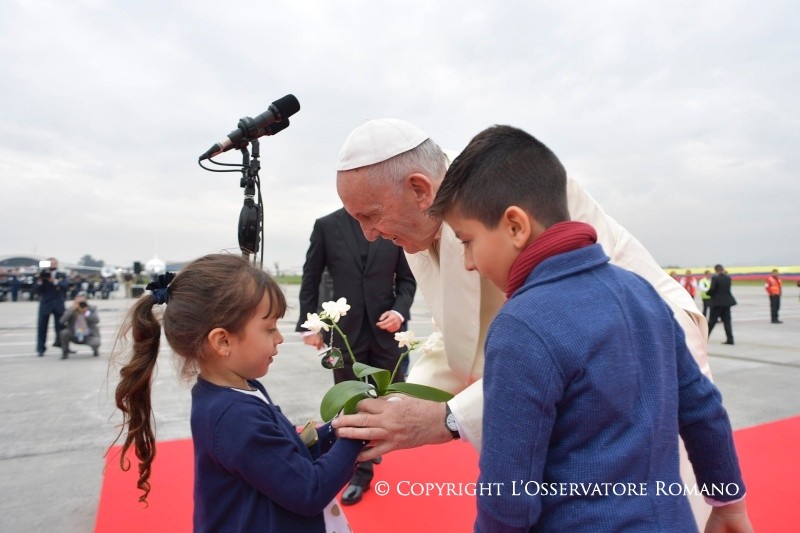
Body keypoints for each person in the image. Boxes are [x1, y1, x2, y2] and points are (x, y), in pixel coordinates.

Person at [331, 118, 715, 527]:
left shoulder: (507, 185)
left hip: (634, 362)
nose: (368, 235)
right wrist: (398, 404)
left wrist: (448, 418)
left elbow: (576, 338)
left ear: (420, 190)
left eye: (371, 216)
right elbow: (456, 331)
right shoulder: (417, 226)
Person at [428, 124, 750, 531]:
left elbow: (509, 496)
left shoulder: (521, 326)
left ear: (515, 226)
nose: (469, 262)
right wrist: (728, 503)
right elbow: (703, 410)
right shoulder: (641, 292)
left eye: (467, 241)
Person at [111, 254, 364, 532]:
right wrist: (357, 439)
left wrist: (337, 431)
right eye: (269, 328)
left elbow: (281, 456)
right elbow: (309, 491)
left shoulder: (235, 391)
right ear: (222, 341)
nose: (279, 338)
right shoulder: (235, 416)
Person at [296, 207, 417, 505]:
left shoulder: (391, 222)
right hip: (344, 335)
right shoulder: (326, 226)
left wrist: (399, 312)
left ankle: (371, 444)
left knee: (385, 398)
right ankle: (359, 473)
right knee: (352, 404)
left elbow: (407, 280)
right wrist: (309, 326)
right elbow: (311, 277)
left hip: (386, 332)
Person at [35, 257, 70, 357]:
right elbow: (36, 290)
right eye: (50, 263)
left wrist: (54, 281)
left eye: (54, 263)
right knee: (42, 327)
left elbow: (65, 286)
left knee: (61, 327)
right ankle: (40, 349)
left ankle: (64, 347)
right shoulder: (41, 275)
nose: (52, 265)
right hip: (45, 304)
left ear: (57, 264)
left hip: (58, 304)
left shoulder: (61, 275)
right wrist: (40, 280)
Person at [58, 293, 101, 359]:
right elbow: (62, 321)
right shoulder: (72, 309)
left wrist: (86, 312)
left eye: (82, 302)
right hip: (74, 334)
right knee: (64, 333)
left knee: (96, 342)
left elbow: (97, 320)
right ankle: (65, 351)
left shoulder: (91, 309)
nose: (80, 304)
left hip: (88, 335)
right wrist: (71, 310)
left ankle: (95, 350)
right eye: (78, 302)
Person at [707, 264, 737, 345]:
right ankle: (730, 339)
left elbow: (712, 289)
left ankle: (704, 338)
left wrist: (708, 293)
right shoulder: (728, 278)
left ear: (716, 270)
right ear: (722, 269)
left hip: (717, 303)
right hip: (727, 302)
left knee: (712, 322)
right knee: (727, 321)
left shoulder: (715, 278)